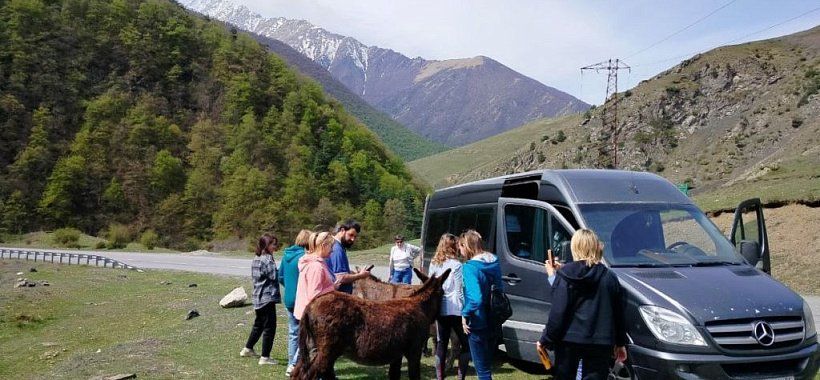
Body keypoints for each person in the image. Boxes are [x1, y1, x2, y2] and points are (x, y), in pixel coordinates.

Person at [537, 229, 627, 380]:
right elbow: (619, 314)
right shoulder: (609, 277)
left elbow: (558, 312)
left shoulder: (566, 275)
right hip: (600, 341)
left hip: (569, 341)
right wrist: (620, 343)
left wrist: (546, 339)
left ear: (574, 247)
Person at [460, 230, 503, 380]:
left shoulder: (469, 267)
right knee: (487, 365)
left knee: (482, 370)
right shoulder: (494, 260)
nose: (460, 250)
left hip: (478, 322)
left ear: (467, 246)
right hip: (494, 319)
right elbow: (500, 289)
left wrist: (465, 313)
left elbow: (475, 299)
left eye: (461, 246)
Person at [428, 233, 470, 380]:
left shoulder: (433, 263)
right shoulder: (457, 265)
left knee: (442, 344)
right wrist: (465, 311)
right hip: (456, 310)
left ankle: (440, 376)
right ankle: (460, 377)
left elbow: (430, 288)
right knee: (465, 344)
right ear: (454, 247)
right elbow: (459, 290)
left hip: (441, 309)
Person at [240, 233, 281, 365]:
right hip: (266, 297)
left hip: (257, 296)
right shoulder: (267, 259)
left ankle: (248, 348)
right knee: (270, 327)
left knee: (258, 325)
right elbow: (275, 276)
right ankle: (265, 357)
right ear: (266, 245)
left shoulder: (256, 258)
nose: (275, 246)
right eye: (273, 244)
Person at [278, 229, 311, 377]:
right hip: (300, 299)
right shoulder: (304, 257)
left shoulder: (286, 256)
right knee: (304, 332)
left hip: (289, 298)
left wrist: (289, 287)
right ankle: (294, 364)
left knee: (293, 332)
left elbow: (280, 276)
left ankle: (291, 362)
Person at [294, 232, 339, 320]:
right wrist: (332, 287)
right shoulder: (316, 267)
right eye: (331, 247)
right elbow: (314, 295)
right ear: (324, 245)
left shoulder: (315, 263)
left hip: (307, 313)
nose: (332, 250)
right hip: (311, 316)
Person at [326, 219, 370, 293]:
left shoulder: (337, 246)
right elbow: (340, 277)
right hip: (340, 297)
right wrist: (360, 275)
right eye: (351, 235)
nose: (353, 239)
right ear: (342, 230)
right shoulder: (337, 249)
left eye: (355, 237)